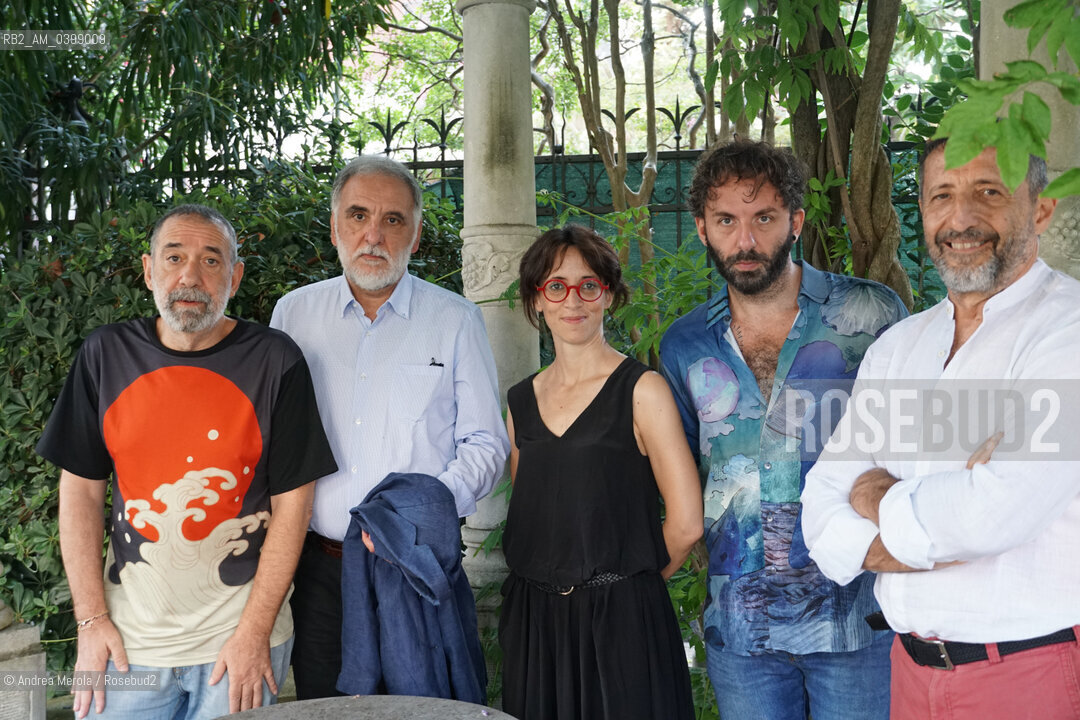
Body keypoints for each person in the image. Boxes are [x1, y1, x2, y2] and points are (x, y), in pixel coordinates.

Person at [801, 138, 1080, 719]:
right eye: (941, 196)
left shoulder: (1067, 332)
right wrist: (938, 519)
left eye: (989, 193)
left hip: (1025, 676)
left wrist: (875, 492)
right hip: (908, 675)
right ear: (923, 214)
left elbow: (992, 513)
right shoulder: (899, 345)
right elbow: (822, 506)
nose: (961, 219)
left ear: (1041, 207)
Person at [38, 204, 337, 720]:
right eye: (174, 257)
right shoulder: (104, 355)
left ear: (236, 276)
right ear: (149, 270)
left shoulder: (276, 361)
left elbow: (294, 509)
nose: (190, 277)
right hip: (129, 647)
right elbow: (81, 492)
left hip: (237, 644)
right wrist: (89, 623)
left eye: (211, 260)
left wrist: (255, 631)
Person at [658, 139, 908, 719]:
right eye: (726, 220)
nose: (745, 242)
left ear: (795, 221)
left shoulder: (871, 315)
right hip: (741, 633)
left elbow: (918, 444)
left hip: (856, 621)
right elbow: (685, 475)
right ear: (701, 228)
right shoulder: (684, 343)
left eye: (763, 218)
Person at [269, 155, 509, 699]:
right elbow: (274, 440)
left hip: (413, 567)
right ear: (334, 227)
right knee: (325, 707)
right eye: (358, 216)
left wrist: (415, 517)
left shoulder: (455, 320)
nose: (373, 235)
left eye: (393, 220)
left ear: (417, 235)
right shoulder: (293, 316)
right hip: (319, 571)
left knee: (419, 708)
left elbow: (485, 443)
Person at [499, 225, 703, 720]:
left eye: (589, 285)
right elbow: (537, 513)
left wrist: (625, 589)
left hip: (622, 624)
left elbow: (687, 523)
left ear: (608, 296)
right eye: (556, 286)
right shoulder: (520, 402)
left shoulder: (642, 389)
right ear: (537, 300)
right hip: (536, 625)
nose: (574, 300)